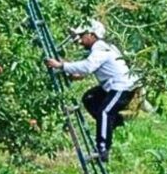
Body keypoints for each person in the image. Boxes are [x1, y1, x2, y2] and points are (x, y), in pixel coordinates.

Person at [46, 19, 139, 162]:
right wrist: (78, 75)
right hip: (112, 85)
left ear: (92, 35)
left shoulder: (100, 49)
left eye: (82, 36)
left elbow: (88, 66)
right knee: (89, 98)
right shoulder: (101, 48)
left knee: (104, 112)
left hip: (122, 87)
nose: (79, 40)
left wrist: (61, 65)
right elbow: (94, 67)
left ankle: (102, 149)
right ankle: (114, 121)